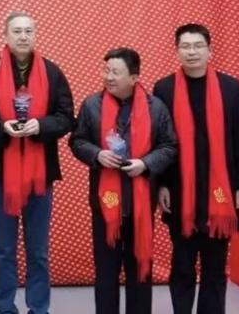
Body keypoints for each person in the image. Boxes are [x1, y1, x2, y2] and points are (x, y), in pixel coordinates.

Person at [0, 11, 74, 314]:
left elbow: (67, 117)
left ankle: (38, 308)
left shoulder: (52, 73)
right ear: (6, 36)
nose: (23, 36)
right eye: (17, 31)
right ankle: (5, 307)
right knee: (4, 250)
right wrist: (2, 127)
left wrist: (41, 126)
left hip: (40, 175)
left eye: (28, 31)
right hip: (1, 173)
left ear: (35, 35)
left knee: (38, 251)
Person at [153, 24, 239, 314]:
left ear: (210, 51)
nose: (192, 52)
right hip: (180, 189)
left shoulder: (230, 88)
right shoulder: (164, 89)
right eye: (185, 46)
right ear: (177, 51)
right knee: (182, 264)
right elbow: (158, 141)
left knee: (215, 266)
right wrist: (161, 184)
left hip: (220, 190)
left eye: (198, 46)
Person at [70, 47, 177, 314]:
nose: (108, 77)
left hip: (141, 202)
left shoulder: (156, 107)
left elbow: (169, 146)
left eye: (115, 72)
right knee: (106, 273)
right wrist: (97, 155)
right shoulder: (91, 105)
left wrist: (146, 164)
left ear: (134, 77)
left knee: (140, 269)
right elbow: (77, 141)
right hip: (105, 204)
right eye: (106, 70)